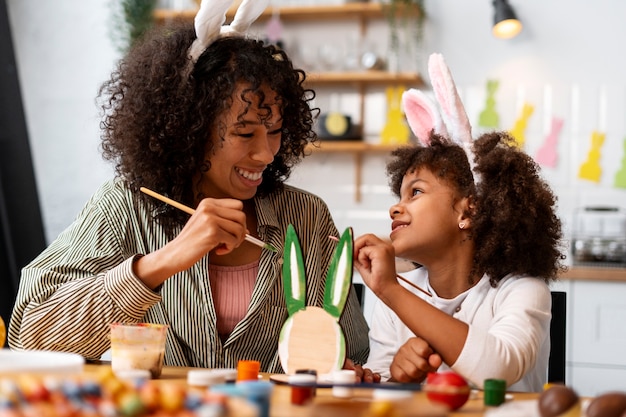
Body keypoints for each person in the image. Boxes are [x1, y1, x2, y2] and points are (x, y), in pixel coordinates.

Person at [8, 0, 369, 373]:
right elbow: (27, 334)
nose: (265, 154)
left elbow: (352, 349)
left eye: (275, 131)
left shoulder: (305, 217)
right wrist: (161, 262)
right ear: (189, 130)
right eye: (244, 132)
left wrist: (343, 365)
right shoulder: (124, 207)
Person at [354, 54, 566, 392]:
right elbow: (382, 387)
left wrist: (389, 289)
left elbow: (499, 368)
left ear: (467, 212)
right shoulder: (395, 292)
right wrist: (396, 375)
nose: (396, 208)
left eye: (416, 193)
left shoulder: (521, 291)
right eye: (400, 195)